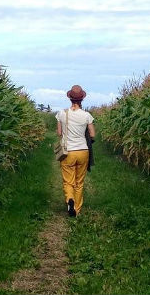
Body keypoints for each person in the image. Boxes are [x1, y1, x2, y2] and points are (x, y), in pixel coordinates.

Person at [56, 84, 95, 217]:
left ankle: (69, 200)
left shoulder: (62, 113)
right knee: (79, 182)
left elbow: (59, 133)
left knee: (68, 181)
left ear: (70, 98)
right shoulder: (86, 115)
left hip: (69, 152)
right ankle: (77, 210)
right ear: (81, 99)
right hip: (83, 151)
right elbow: (92, 134)